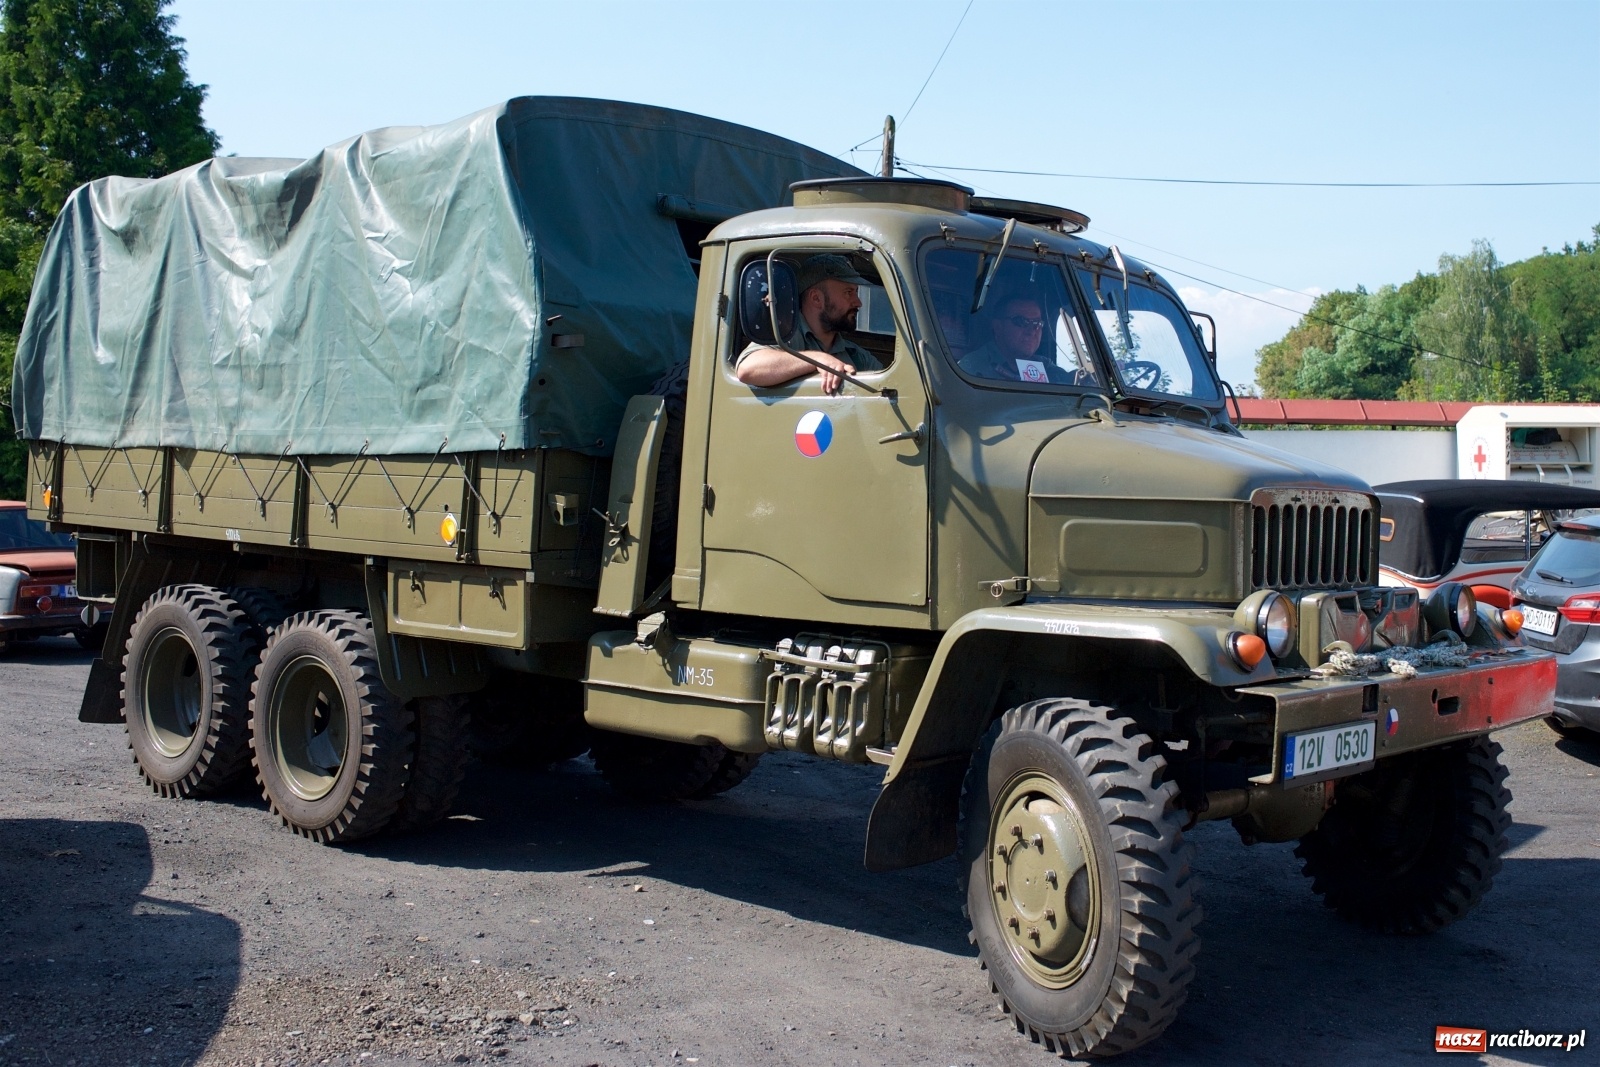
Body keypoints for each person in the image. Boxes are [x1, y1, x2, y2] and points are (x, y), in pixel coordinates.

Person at [735, 254, 884, 394]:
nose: (858, 302)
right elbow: (748, 369)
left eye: (856, 292)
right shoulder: (787, 336)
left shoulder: (857, 357)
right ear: (816, 298)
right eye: (848, 292)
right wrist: (817, 360)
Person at [957, 293, 1078, 385]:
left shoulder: (1046, 367)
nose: (1031, 331)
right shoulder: (970, 369)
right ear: (998, 327)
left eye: (1037, 323)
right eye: (1021, 321)